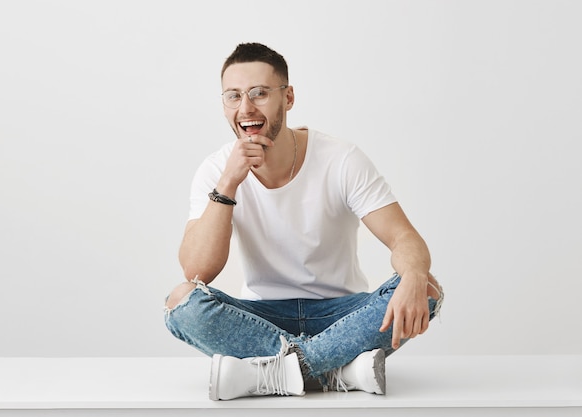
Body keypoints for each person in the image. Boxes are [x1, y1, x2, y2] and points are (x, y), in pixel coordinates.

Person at [164, 42, 443, 401]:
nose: (245, 108)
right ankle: (336, 370)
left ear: (289, 97)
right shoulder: (217, 170)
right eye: (233, 96)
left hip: (341, 315)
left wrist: (414, 277)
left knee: (427, 287)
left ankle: (271, 374)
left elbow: (404, 239)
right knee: (181, 301)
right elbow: (196, 271)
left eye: (259, 93)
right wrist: (228, 183)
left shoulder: (341, 159)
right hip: (260, 318)